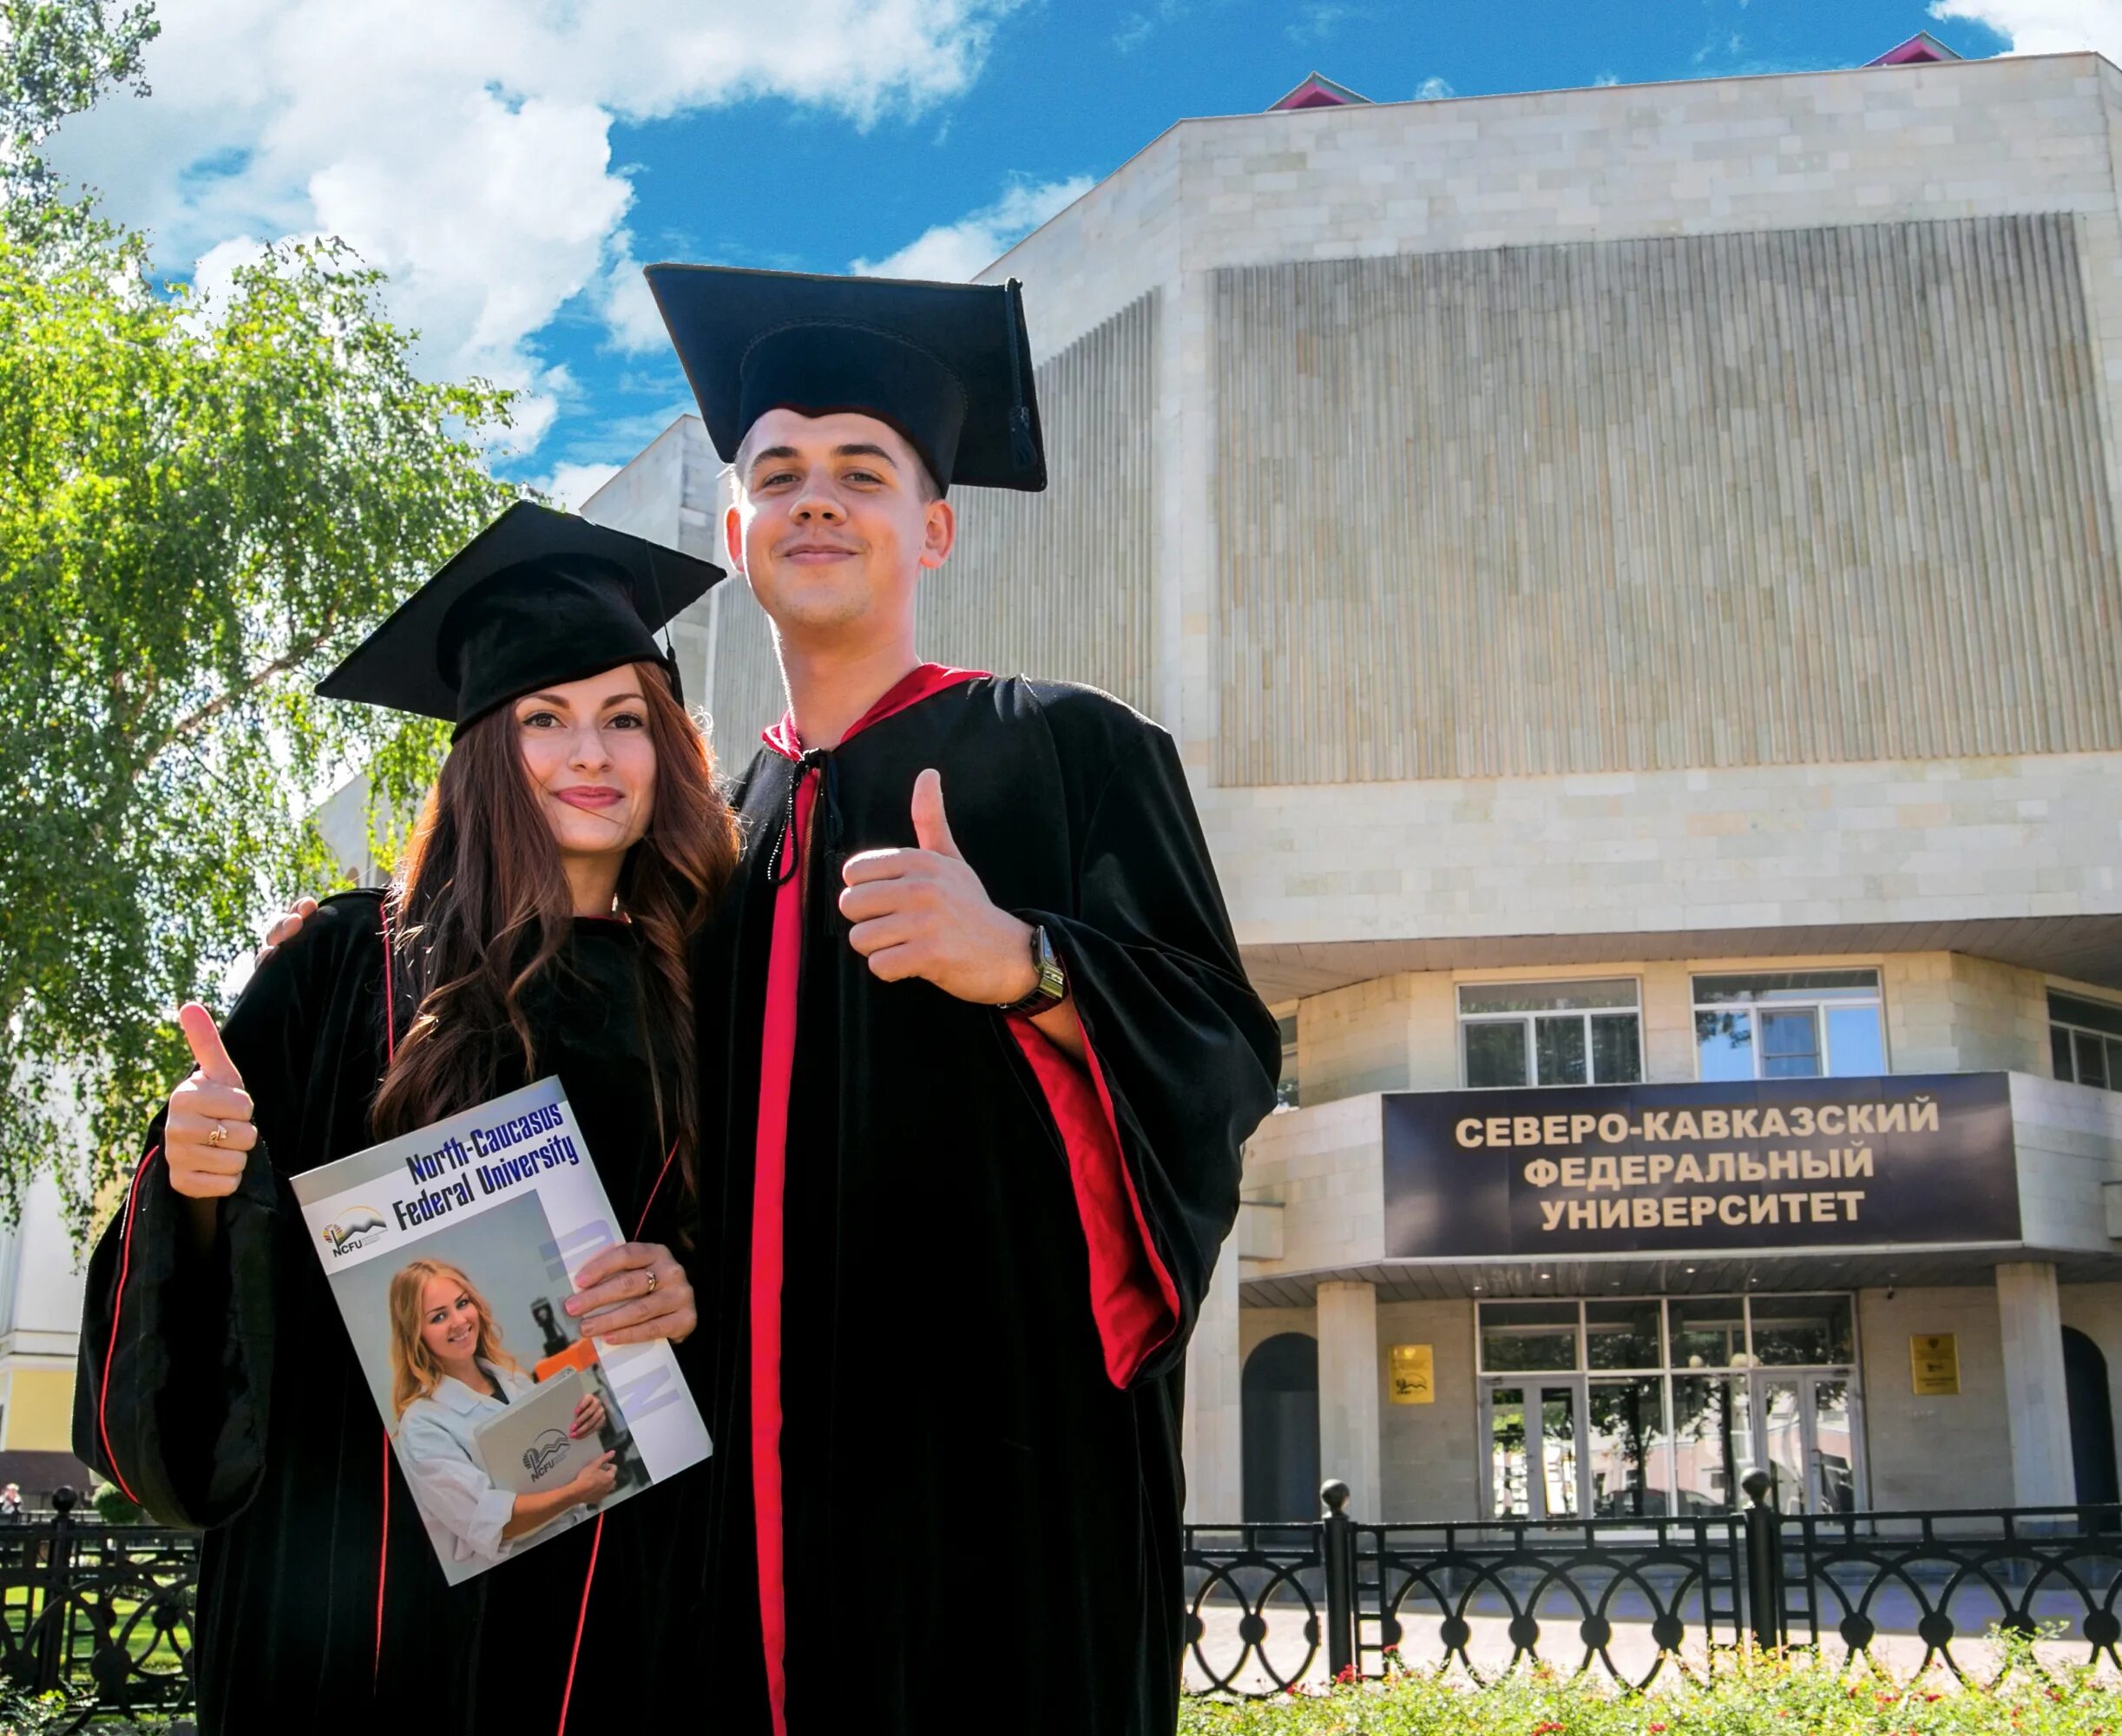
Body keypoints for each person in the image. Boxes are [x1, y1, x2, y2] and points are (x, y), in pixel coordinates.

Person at [637, 264, 1282, 1733]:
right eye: (778, 473)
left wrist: (1031, 967)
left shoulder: (1068, 746)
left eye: (861, 473)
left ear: (931, 527)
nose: (816, 500)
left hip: (997, 1467)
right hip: (752, 1483)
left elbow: (1228, 1055)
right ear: (737, 530)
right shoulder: (719, 836)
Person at [74, 503, 734, 1733]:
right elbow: (208, 1282)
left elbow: (778, 1239)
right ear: (486, 746)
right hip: (341, 1577)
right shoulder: (343, 967)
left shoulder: (719, 983)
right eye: (544, 716)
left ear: (670, 749)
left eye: (625, 717)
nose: (588, 751)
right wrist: (200, 1183)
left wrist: (689, 1284)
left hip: (608, 1576)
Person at [386, 1258, 618, 1568]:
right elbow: (494, 1524)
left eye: (462, 1303)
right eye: (439, 1316)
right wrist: (576, 1493)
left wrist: (588, 1421)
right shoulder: (423, 1425)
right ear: (415, 1333)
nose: (459, 1321)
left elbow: (552, 1458)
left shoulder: (511, 1377)